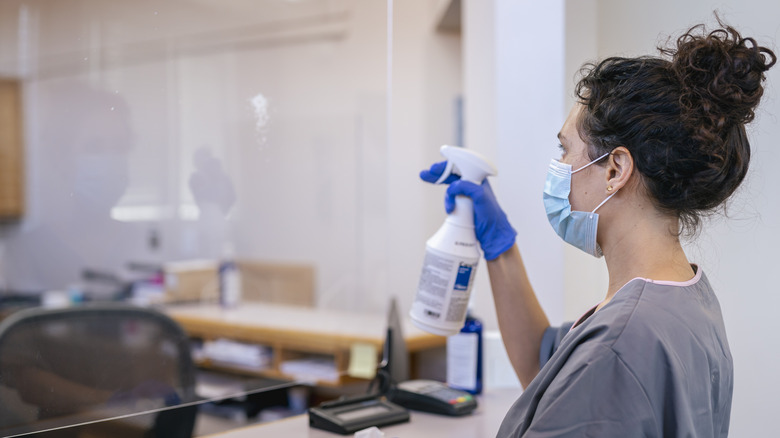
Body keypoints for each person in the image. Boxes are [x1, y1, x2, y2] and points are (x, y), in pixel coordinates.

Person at [421, 19, 775, 437]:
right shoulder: (684, 297)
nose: (558, 166)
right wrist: (500, 247)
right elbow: (547, 368)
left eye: (564, 148)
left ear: (615, 169)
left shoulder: (622, 341)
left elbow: (592, 376)